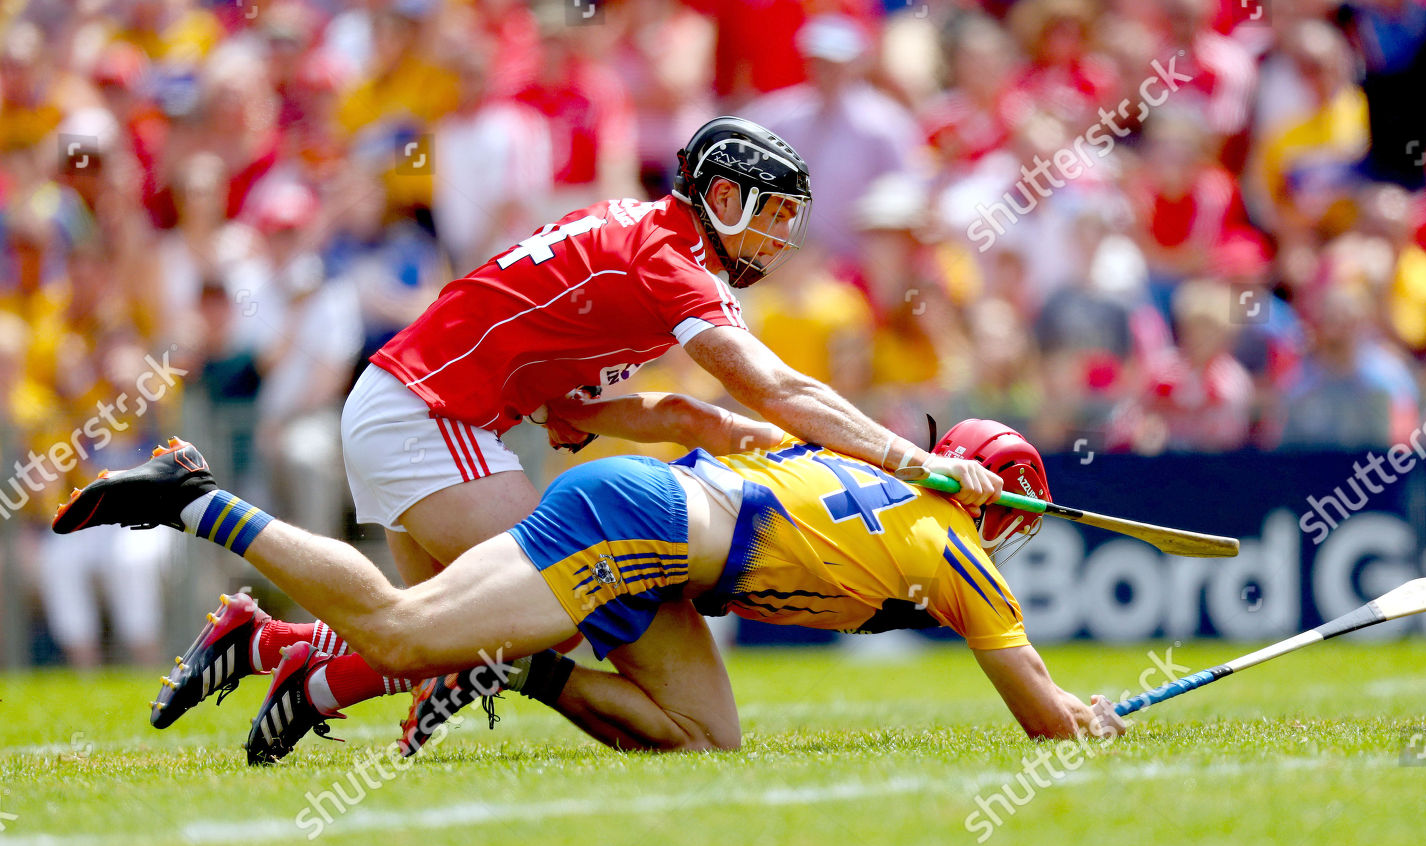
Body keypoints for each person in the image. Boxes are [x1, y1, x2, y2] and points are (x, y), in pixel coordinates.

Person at [118, 115, 1008, 742]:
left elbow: (583, 413)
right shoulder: (673, 260)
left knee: (463, 630)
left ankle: (269, 645)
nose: (779, 238)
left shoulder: (646, 241)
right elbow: (775, 385)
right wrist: (907, 457)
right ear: (720, 195)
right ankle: (204, 512)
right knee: (521, 610)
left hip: (424, 409)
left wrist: (720, 429)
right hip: (431, 410)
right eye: (767, 213)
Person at [52, 418, 1126, 764]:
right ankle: (192, 501)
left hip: (660, 527)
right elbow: (1045, 722)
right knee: (406, 626)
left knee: (705, 739)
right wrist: (1099, 718)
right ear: (1002, 506)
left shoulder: (882, 480)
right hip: (640, 526)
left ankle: (508, 661)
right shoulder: (957, 545)